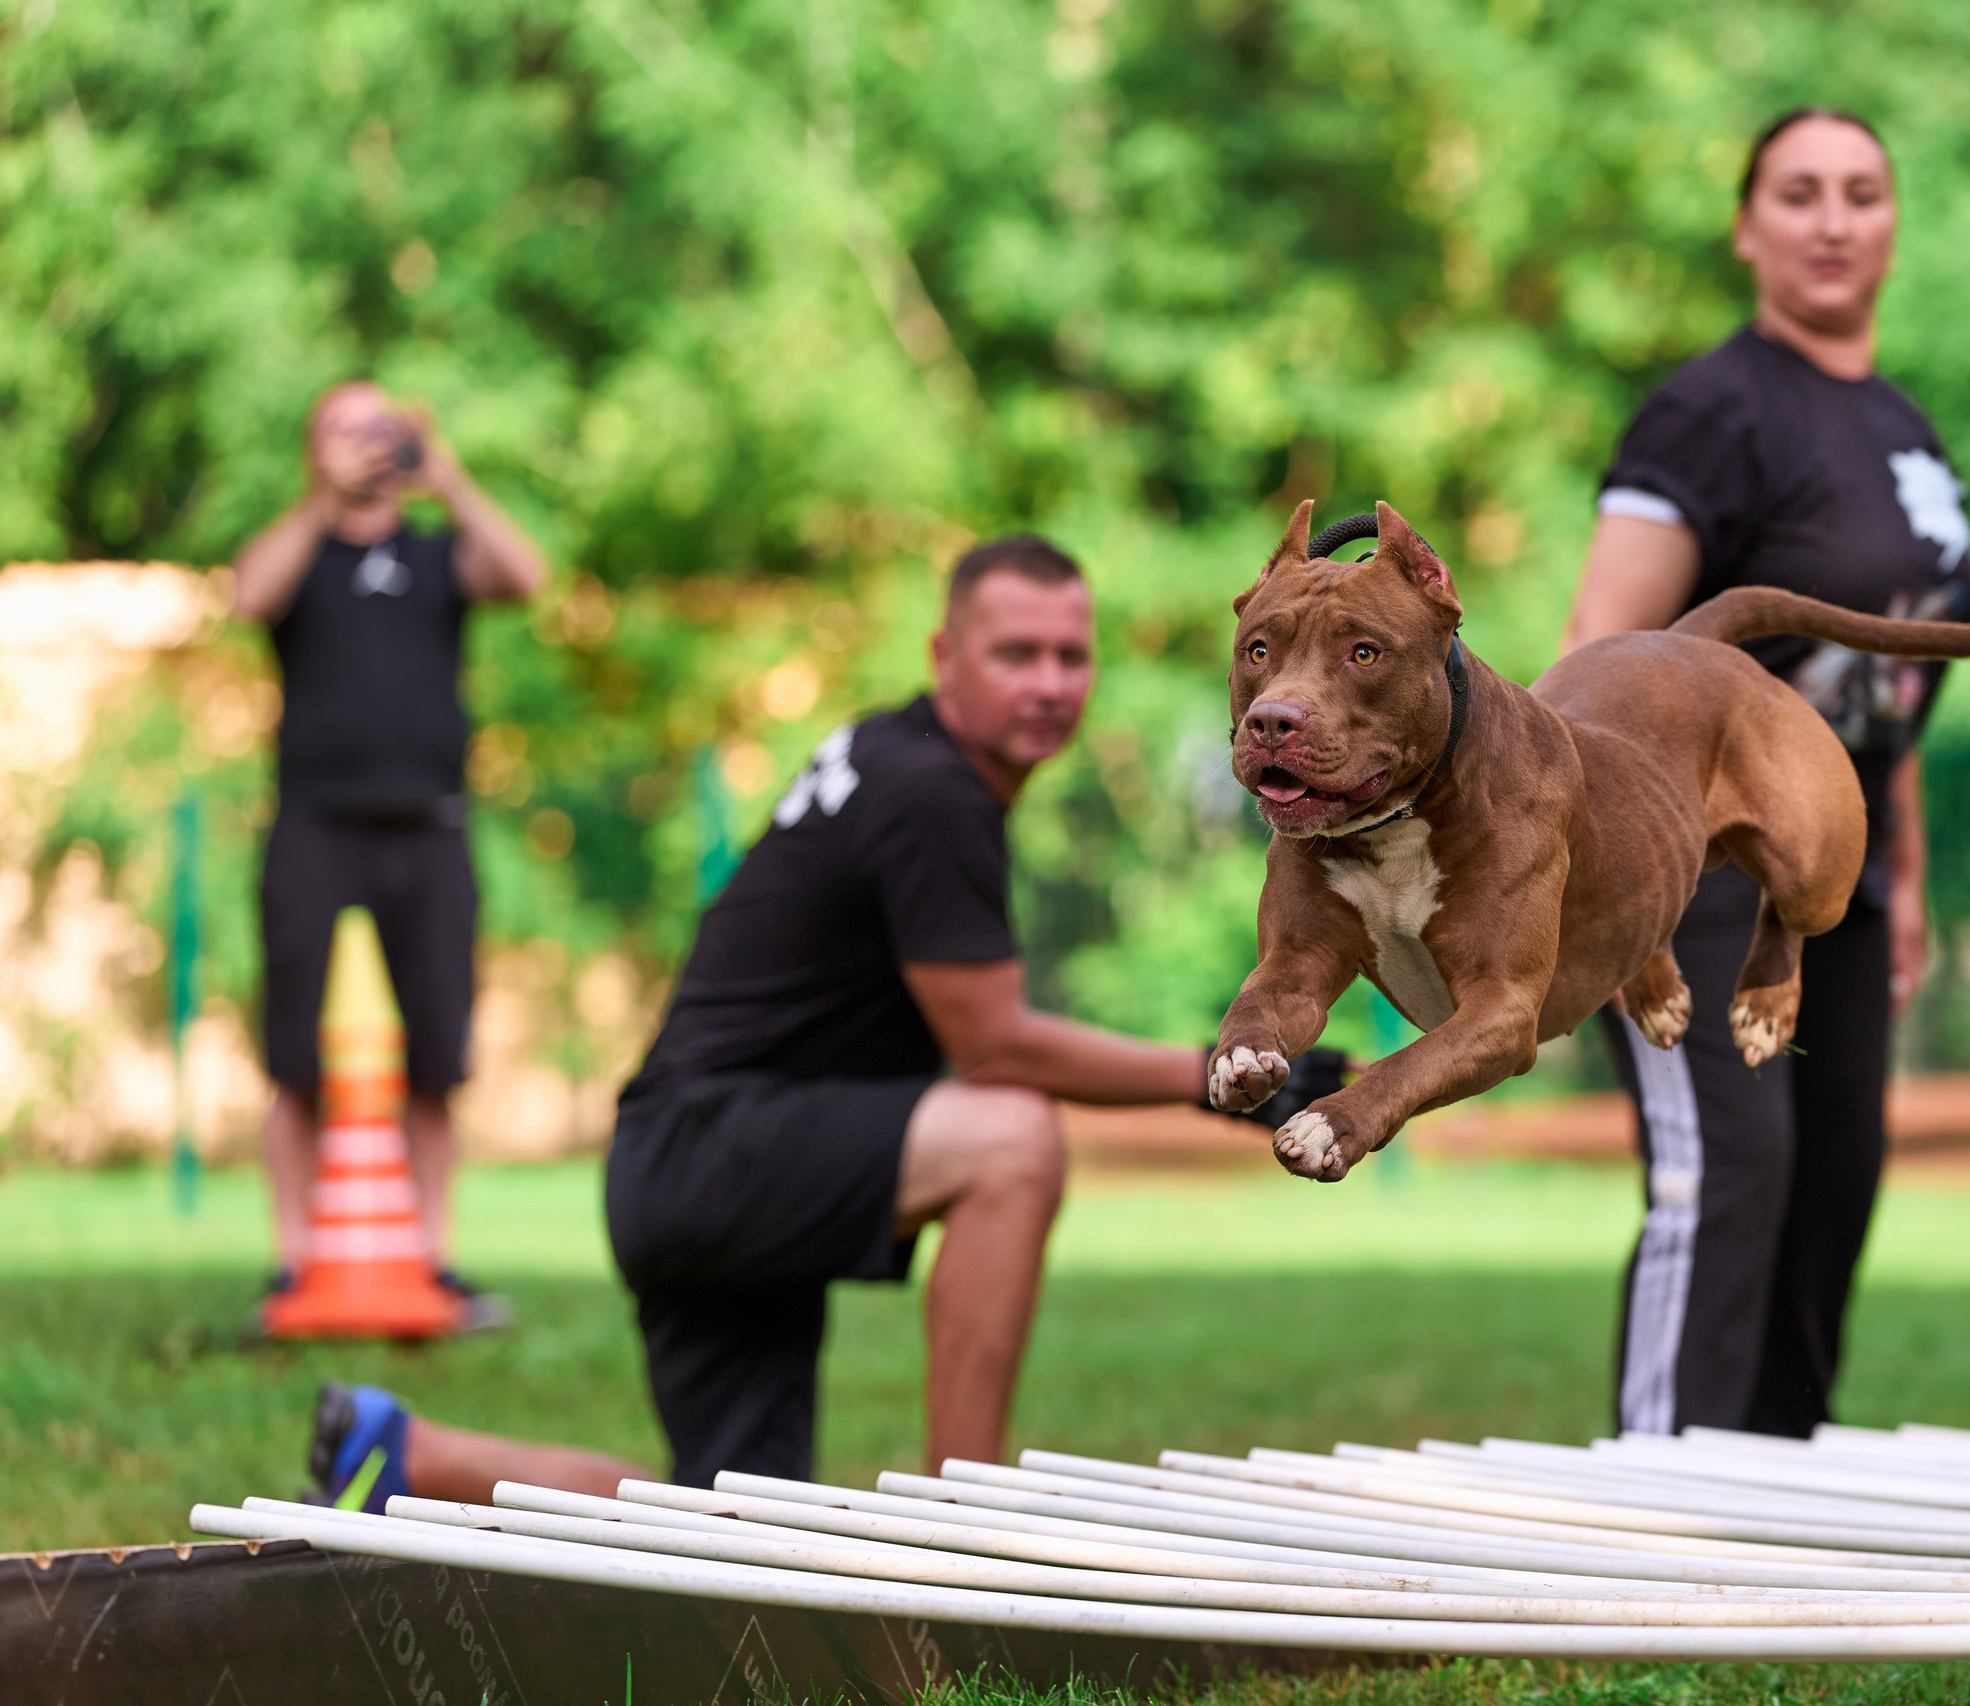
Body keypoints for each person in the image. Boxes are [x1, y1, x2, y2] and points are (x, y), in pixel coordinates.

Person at [307, 534, 1341, 1510]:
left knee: (733, 1525)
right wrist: (1215, 1073)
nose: (1048, 681)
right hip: (714, 1148)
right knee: (1012, 1138)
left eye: (1071, 655)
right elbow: (992, 1044)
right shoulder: (931, 787)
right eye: (1015, 652)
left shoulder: (906, 756)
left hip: (696, 1160)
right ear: (946, 656)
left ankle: (408, 1453)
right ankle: (965, 1519)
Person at [1559, 110, 1970, 1439]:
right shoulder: (1710, 411)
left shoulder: (1903, 428)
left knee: (1833, 1173)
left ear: (1894, 224)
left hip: (1829, 866)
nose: (1834, 219)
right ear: (1748, 227)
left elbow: (1890, 687)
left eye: (1863, 191)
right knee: (1731, 1172)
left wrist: (1900, 864)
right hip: (1699, 864)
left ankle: (1777, 1474)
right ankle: (1661, 1491)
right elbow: (1599, 652)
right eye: (1798, 193)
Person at [233, 382, 548, 1319]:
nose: (366, 447)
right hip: (315, 826)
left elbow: (526, 579)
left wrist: (447, 480)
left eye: (382, 429)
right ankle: (292, 1262)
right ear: (313, 447)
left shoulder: (439, 553)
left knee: (436, 1056)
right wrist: (319, 500)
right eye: (344, 430)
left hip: (432, 826)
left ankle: (435, 1259)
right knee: (294, 1056)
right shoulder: (300, 556)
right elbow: (247, 597)